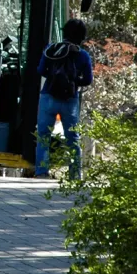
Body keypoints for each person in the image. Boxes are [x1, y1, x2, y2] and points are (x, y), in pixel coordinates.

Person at [35, 19, 95, 179]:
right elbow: (88, 80)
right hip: (70, 100)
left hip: (48, 95)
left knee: (43, 136)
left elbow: (41, 70)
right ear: (81, 37)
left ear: (65, 32)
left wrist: (54, 78)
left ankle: (41, 172)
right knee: (73, 138)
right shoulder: (83, 55)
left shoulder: (51, 49)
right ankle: (74, 174)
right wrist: (73, 81)